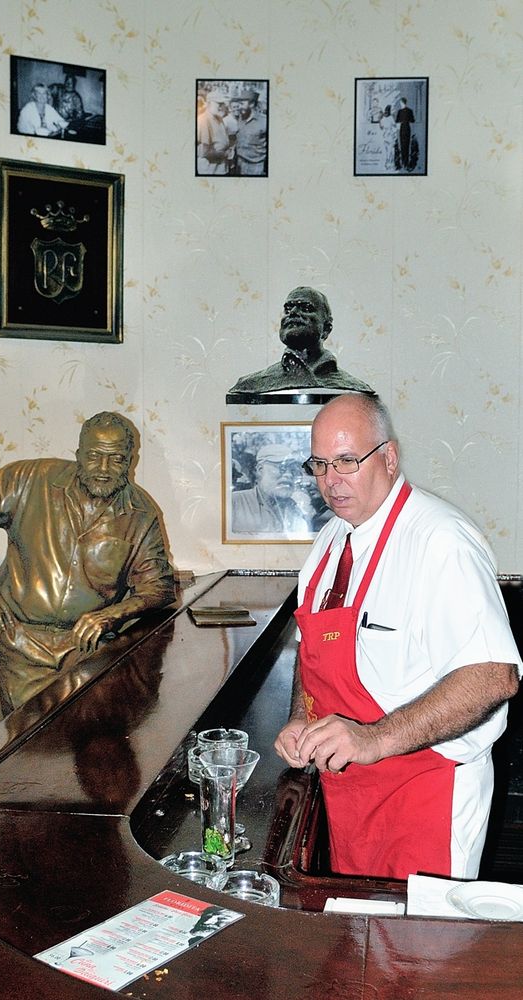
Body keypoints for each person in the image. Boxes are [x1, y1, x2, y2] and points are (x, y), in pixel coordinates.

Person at [275, 393, 521, 882]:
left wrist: (375, 738)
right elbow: (314, 648)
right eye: (320, 464)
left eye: (347, 461)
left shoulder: (440, 541)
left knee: (423, 954)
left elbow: (494, 676)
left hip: (426, 796)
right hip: (351, 793)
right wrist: (301, 718)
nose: (331, 480)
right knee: (364, 944)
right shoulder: (332, 538)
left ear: (388, 457)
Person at [0, 411, 176, 715]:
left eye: (115, 459)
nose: (103, 469)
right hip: (21, 645)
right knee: (27, 746)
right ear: (78, 454)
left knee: (89, 742)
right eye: (93, 457)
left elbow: (159, 587)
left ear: (131, 459)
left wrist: (113, 614)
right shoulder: (31, 479)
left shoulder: (141, 515)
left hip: (89, 649)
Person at [228, 286, 374, 397]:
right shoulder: (250, 384)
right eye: (288, 308)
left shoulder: (355, 389)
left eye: (305, 308)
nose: (293, 313)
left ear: (326, 329)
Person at [232, 443, 308, 535]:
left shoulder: (296, 510)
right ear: (260, 470)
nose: (289, 475)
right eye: (282, 468)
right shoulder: (234, 503)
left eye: (293, 470)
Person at [233, 88, 267, 176]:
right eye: (238, 104)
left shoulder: (264, 121)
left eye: (242, 104)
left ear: (251, 104)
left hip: (256, 166)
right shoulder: (239, 118)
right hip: (239, 163)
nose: (239, 107)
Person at [196, 90, 230, 175]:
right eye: (218, 104)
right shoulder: (204, 120)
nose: (221, 107)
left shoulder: (218, 118)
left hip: (221, 167)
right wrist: (226, 154)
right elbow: (205, 152)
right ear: (208, 103)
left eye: (222, 104)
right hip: (210, 170)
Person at [395, 97, 415, 170]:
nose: (400, 104)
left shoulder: (400, 111)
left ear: (402, 103)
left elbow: (397, 121)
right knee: (407, 145)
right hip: (407, 128)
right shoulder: (410, 111)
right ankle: (406, 163)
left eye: (400, 103)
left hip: (402, 128)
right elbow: (413, 120)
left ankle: (403, 163)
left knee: (402, 145)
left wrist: (401, 120)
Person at [379, 104, 397, 171]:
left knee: (387, 151)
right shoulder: (391, 118)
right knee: (391, 151)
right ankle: (389, 164)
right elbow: (394, 126)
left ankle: (387, 164)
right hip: (390, 135)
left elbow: (381, 127)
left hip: (385, 135)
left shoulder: (383, 118)